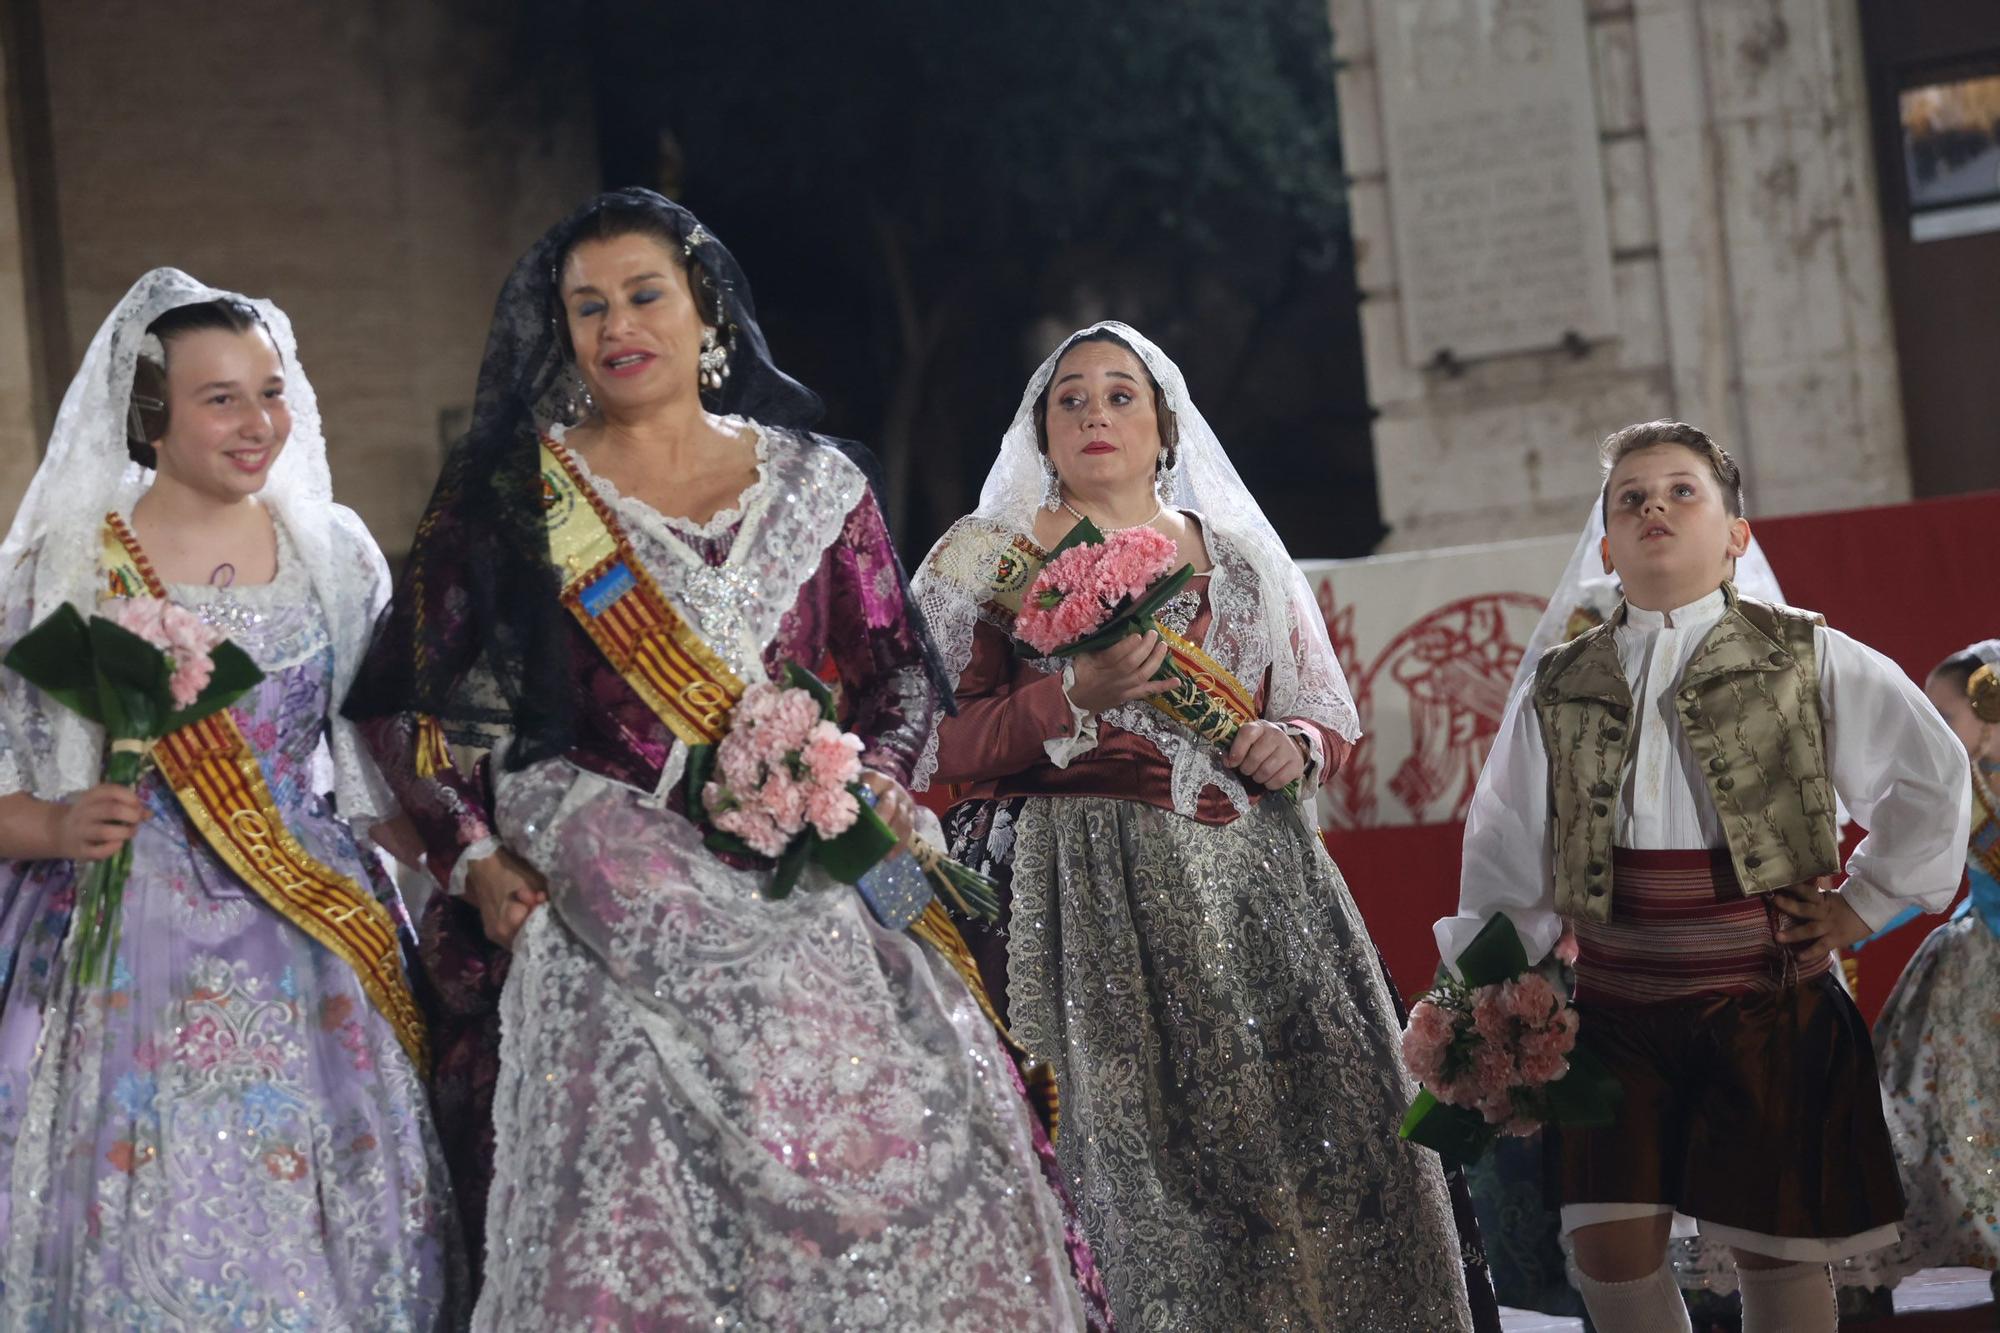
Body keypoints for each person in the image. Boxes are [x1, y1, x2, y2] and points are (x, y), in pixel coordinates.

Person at [342, 190, 1100, 1330]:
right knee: (632, 1060)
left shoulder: (815, 484)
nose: (615, 326)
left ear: (708, 313)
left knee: (943, 1047)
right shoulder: (511, 495)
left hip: (813, 835)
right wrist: (474, 855)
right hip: (597, 839)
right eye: (584, 307)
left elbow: (893, 674)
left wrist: (878, 778)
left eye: (643, 294)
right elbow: (413, 707)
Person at [913, 321, 1477, 1331]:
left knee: (1322, 1143)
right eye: (1069, 399)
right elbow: (936, 748)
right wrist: (1069, 695)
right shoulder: (984, 561)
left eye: (1120, 395)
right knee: (1127, 1162)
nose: (1094, 414)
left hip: (1254, 886)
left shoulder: (1242, 559)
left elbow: (1315, 711)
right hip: (1076, 891)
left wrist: (1291, 743)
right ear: (1039, 433)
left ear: (1165, 426)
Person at [0, 269, 461, 1327]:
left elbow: (374, 768)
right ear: (153, 415)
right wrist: (60, 824)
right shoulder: (61, 570)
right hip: (122, 940)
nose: (259, 424)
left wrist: (465, 864)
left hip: (309, 928)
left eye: (270, 390)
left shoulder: (333, 556)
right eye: (222, 399)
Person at [1442, 419, 1970, 1333]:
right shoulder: (1559, 684)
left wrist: (1865, 904)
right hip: (1615, 1004)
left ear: (1737, 533)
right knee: (1606, 1249)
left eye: (1682, 490)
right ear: (1606, 545)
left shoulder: (1808, 655)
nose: (1656, 506)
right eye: (1632, 497)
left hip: (1763, 992)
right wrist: (1497, 989)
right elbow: (1504, 841)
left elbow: (1932, 776)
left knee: (1775, 1243)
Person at [1838, 640, 2000, 1297]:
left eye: (1948, 714)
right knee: (1938, 1110)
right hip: (1973, 972)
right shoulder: (1958, 792)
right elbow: (1915, 878)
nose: (1934, 728)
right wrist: (1852, 926)